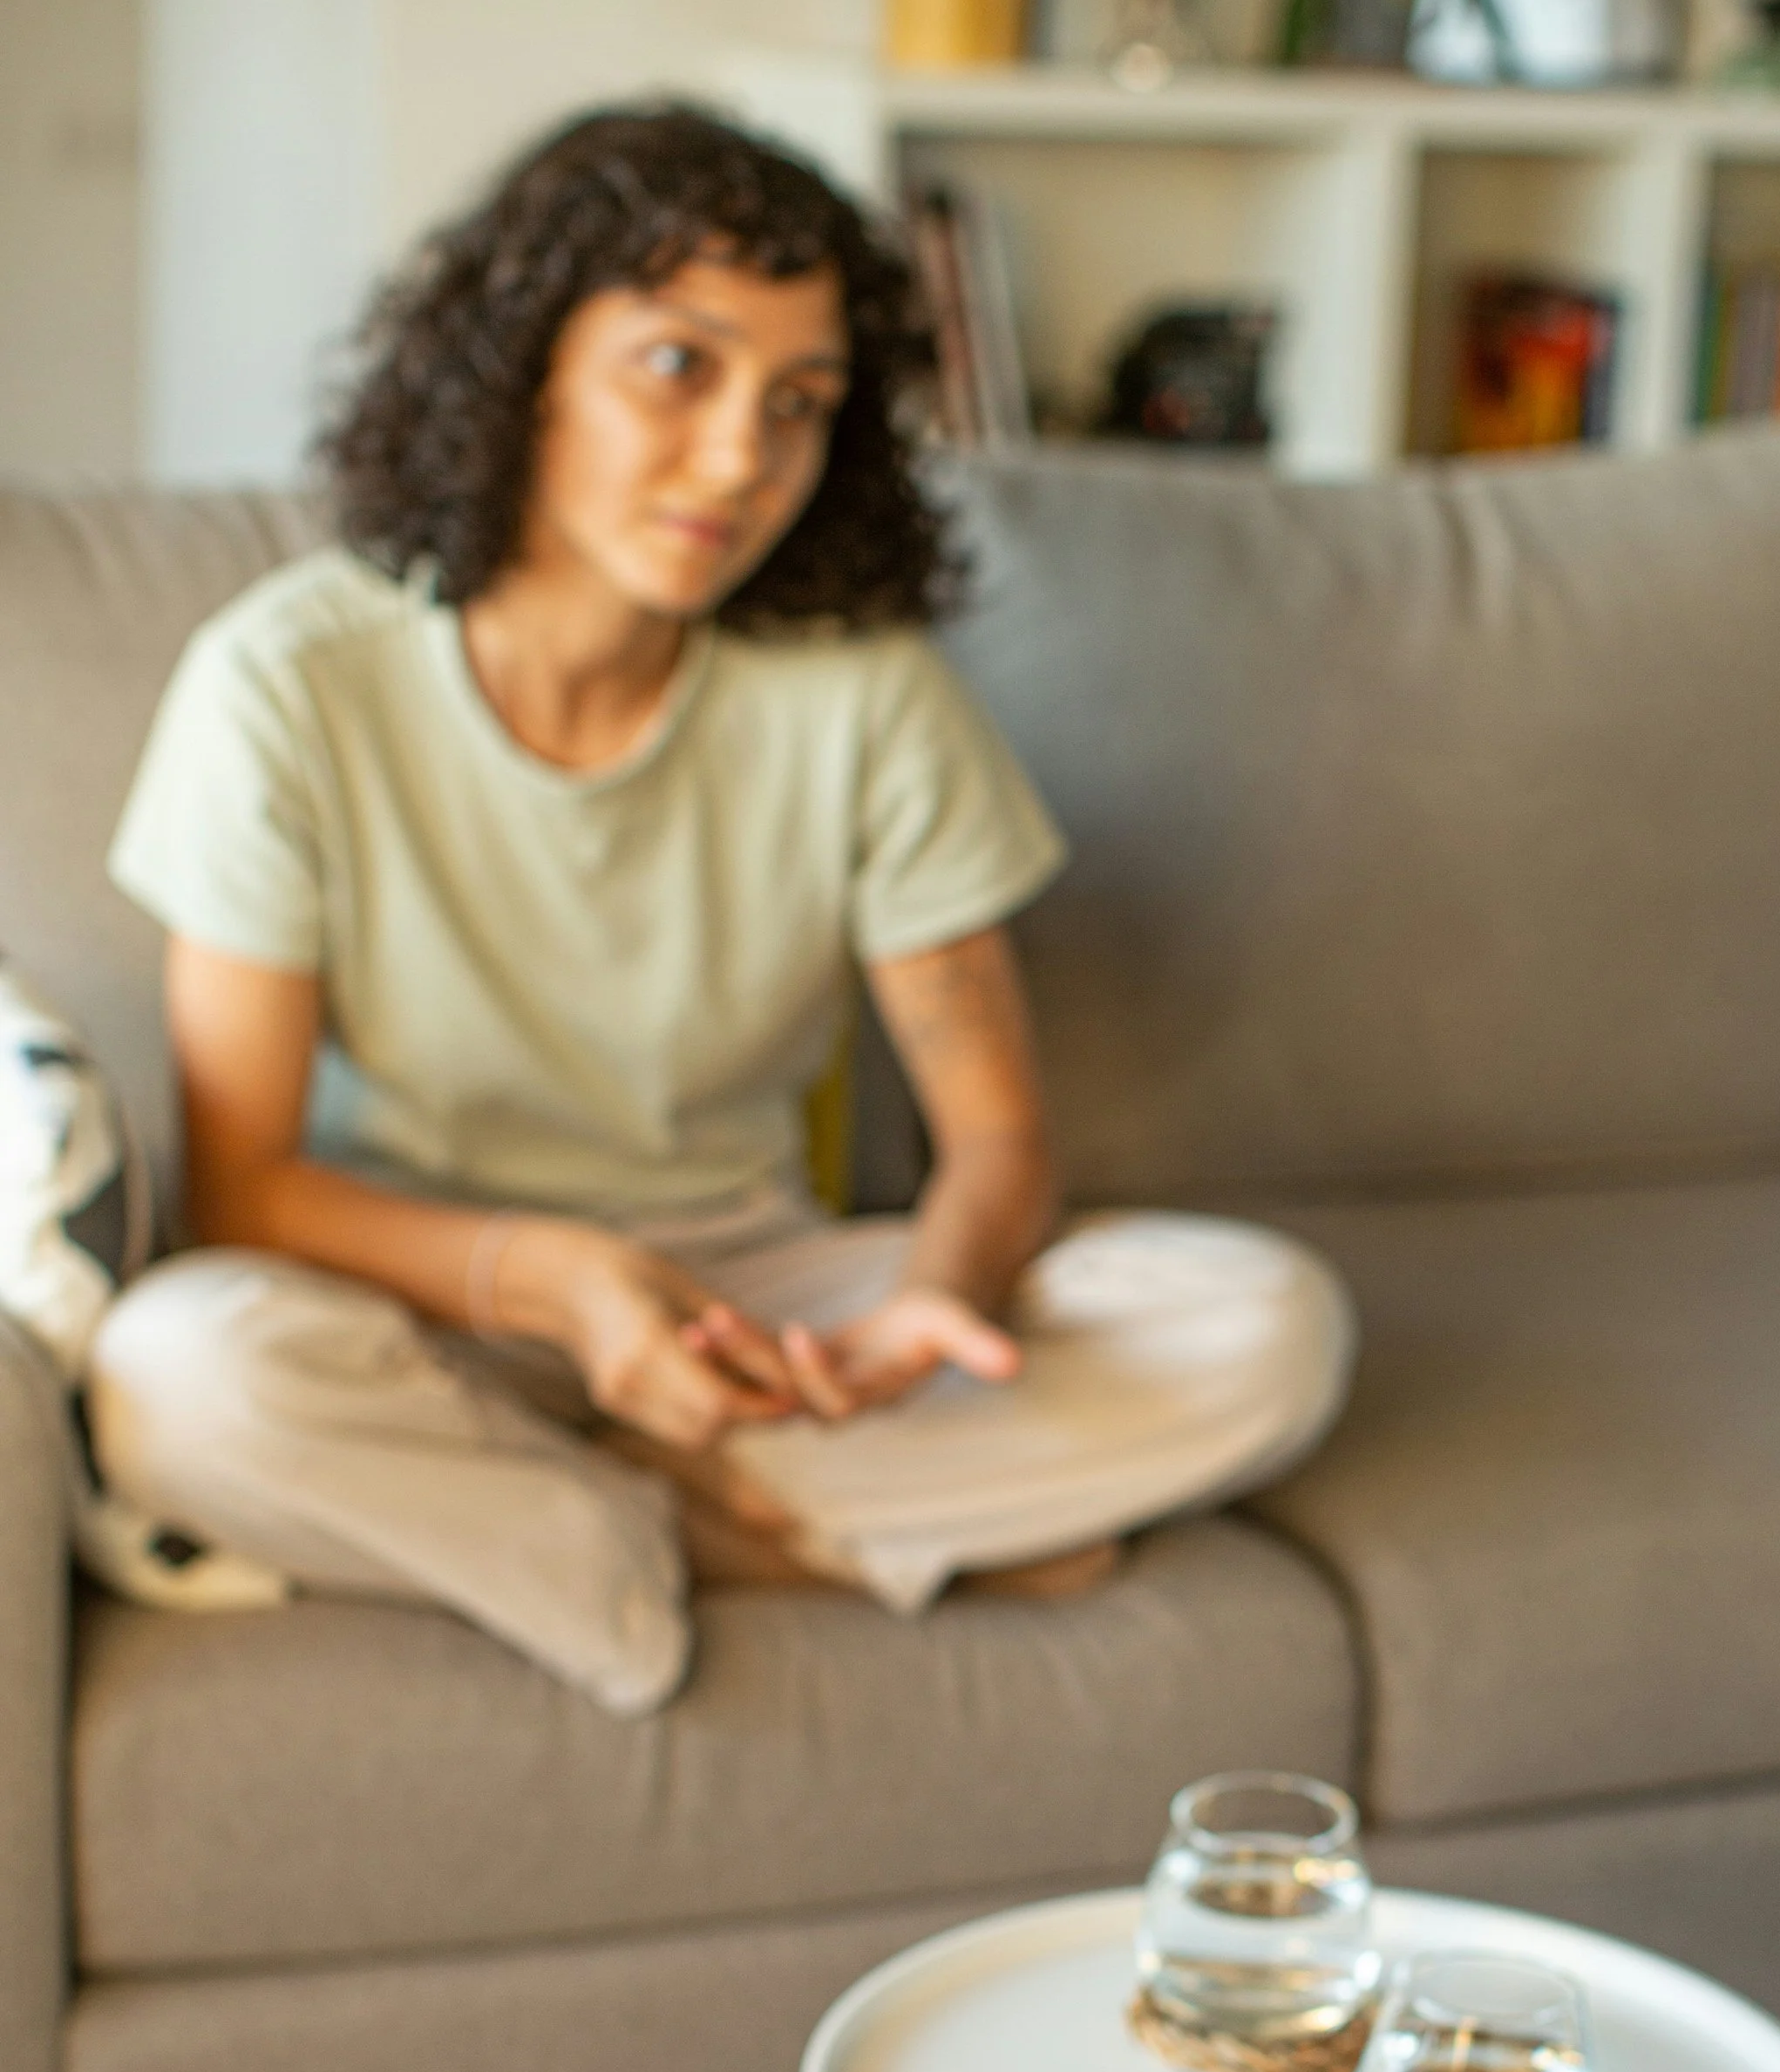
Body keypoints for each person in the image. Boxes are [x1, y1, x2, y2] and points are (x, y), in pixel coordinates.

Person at [87, 105, 1352, 1713]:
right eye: (679, 368)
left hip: (763, 1312)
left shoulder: (864, 695)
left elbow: (998, 1144)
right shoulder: (283, 685)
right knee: (173, 1381)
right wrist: (563, 1287)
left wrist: (928, 1314)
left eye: (801, 403)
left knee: (1267, 1325)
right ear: (527, 362)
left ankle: (592, 1526)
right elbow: (243, 1191)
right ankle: (718, 1534)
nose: (741, 456)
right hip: (425, 1299)